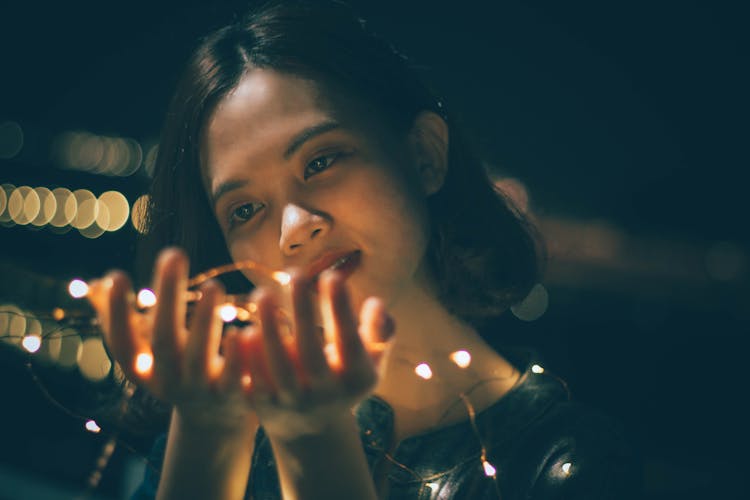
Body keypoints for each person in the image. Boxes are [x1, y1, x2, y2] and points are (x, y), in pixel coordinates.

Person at [92, 1, 639, 498]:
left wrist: (314, 446)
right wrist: (205, 444)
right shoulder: (221, 429)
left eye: (321, 161)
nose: (294, 229)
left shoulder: (559, 464)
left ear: (424, 156)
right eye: (244, 210)